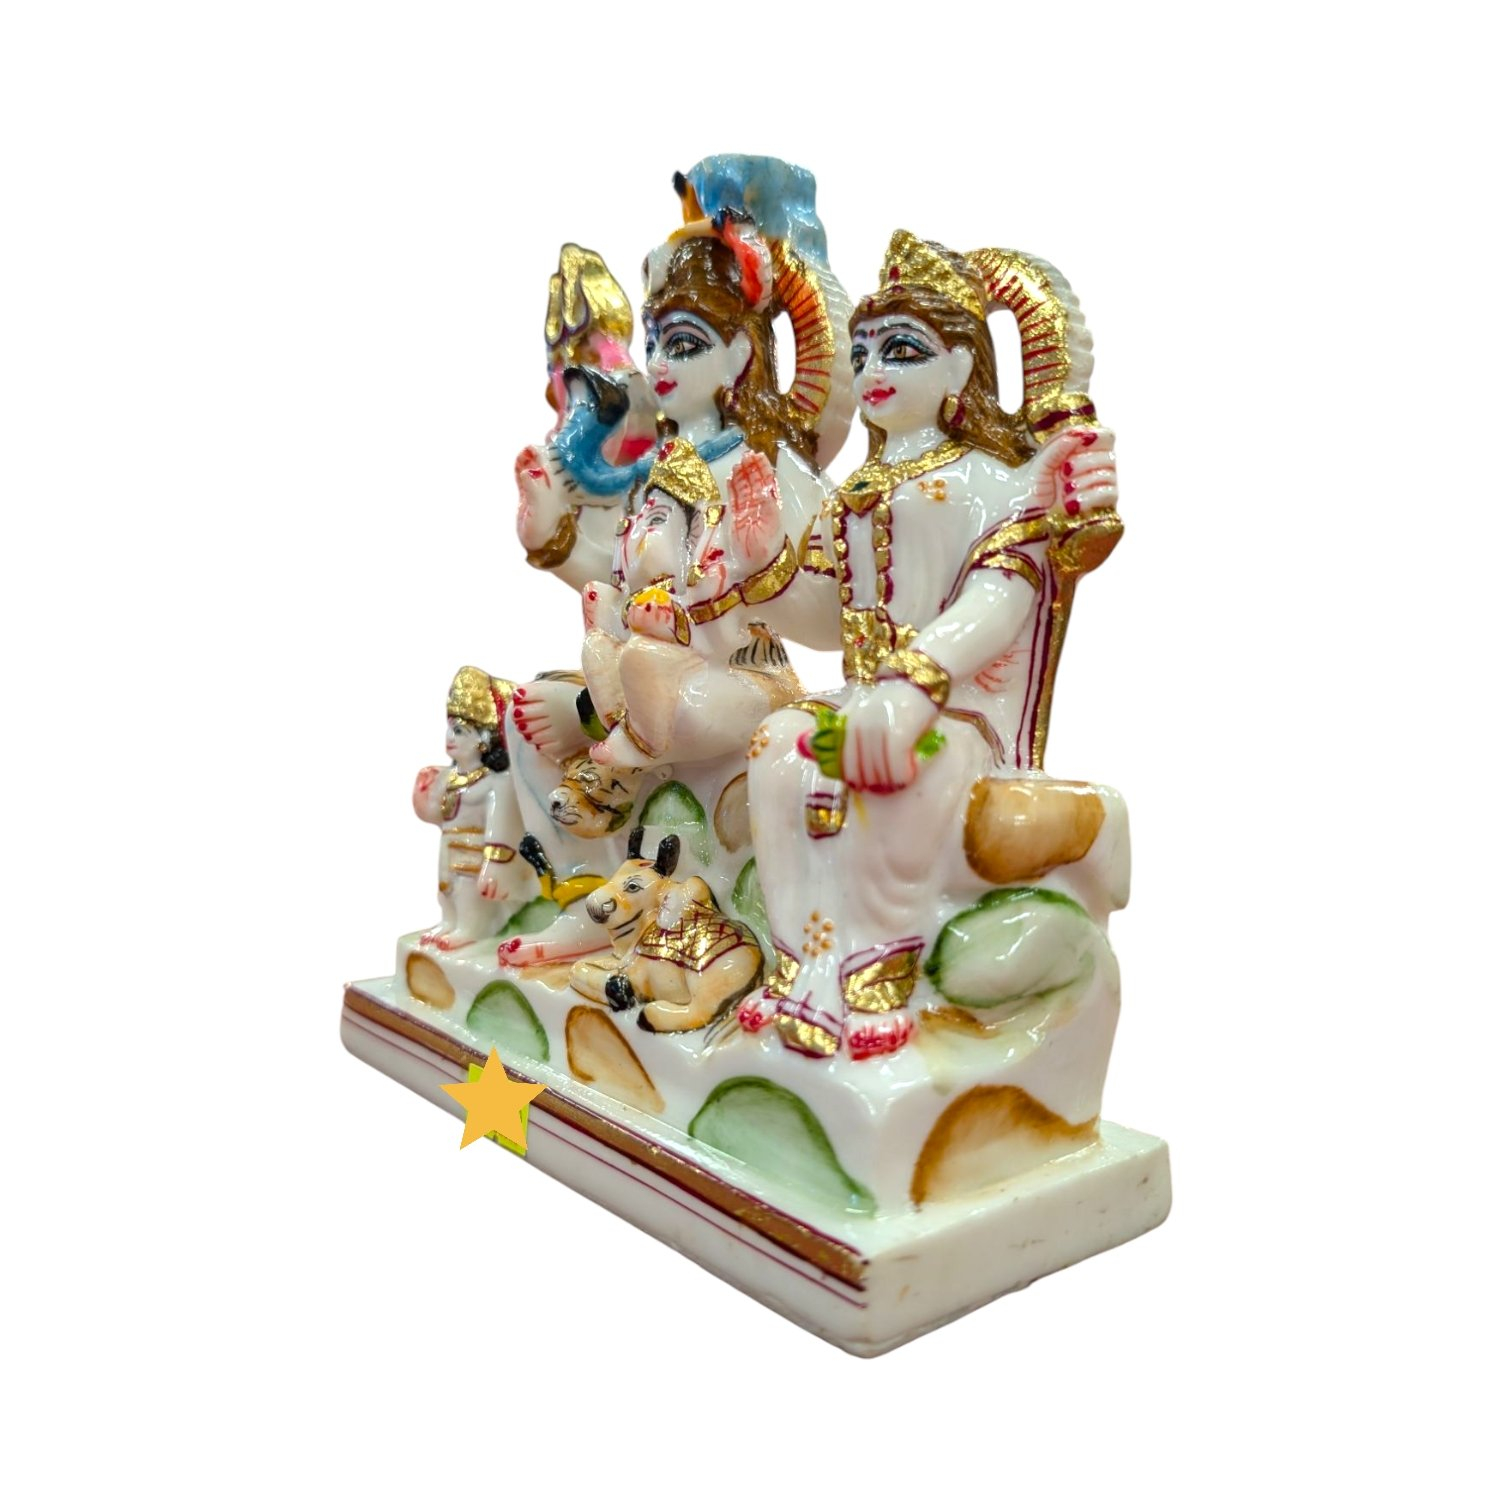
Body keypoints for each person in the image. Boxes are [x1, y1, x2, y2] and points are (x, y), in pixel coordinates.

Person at [741, 233, 1121, 1059]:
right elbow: (824, 616)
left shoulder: (992, 481)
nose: (874, 369)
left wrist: (916, 684)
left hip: (954, 708)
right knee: (774, 746)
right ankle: (804, 960)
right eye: (863, 353)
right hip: (864, 695)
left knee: (902, 769)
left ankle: (879, 968)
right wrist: (760, 563)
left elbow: (1002, 597)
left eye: (903, 351)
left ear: (961, 367)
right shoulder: (854, 494)